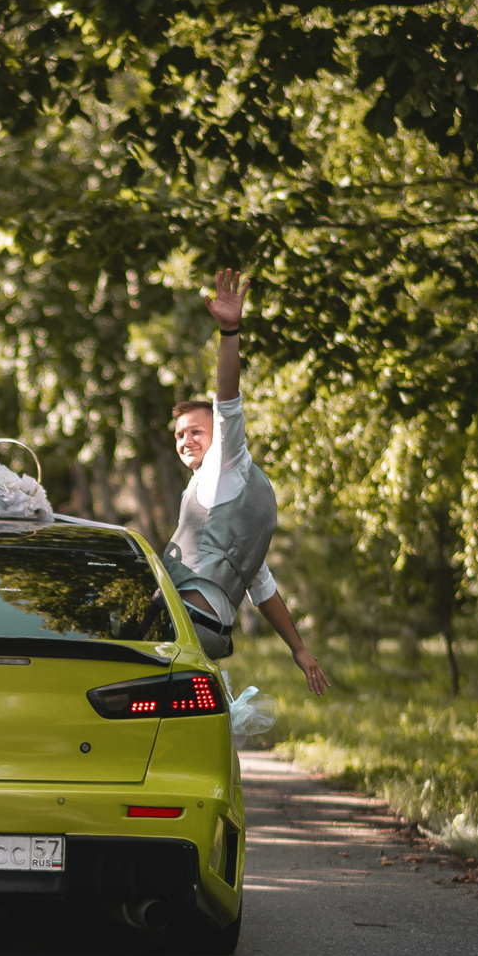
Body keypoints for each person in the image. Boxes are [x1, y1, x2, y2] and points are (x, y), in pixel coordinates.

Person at [162, 268, 331, 696]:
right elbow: (262, 585)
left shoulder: (227, 463)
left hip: (187, 619)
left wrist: (229, 332)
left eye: (195, 431)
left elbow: (227, 397)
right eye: (179, 435)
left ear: (219, 435)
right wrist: (299, 650)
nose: (185, 440)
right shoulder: (238, 493)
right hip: (211, 633)